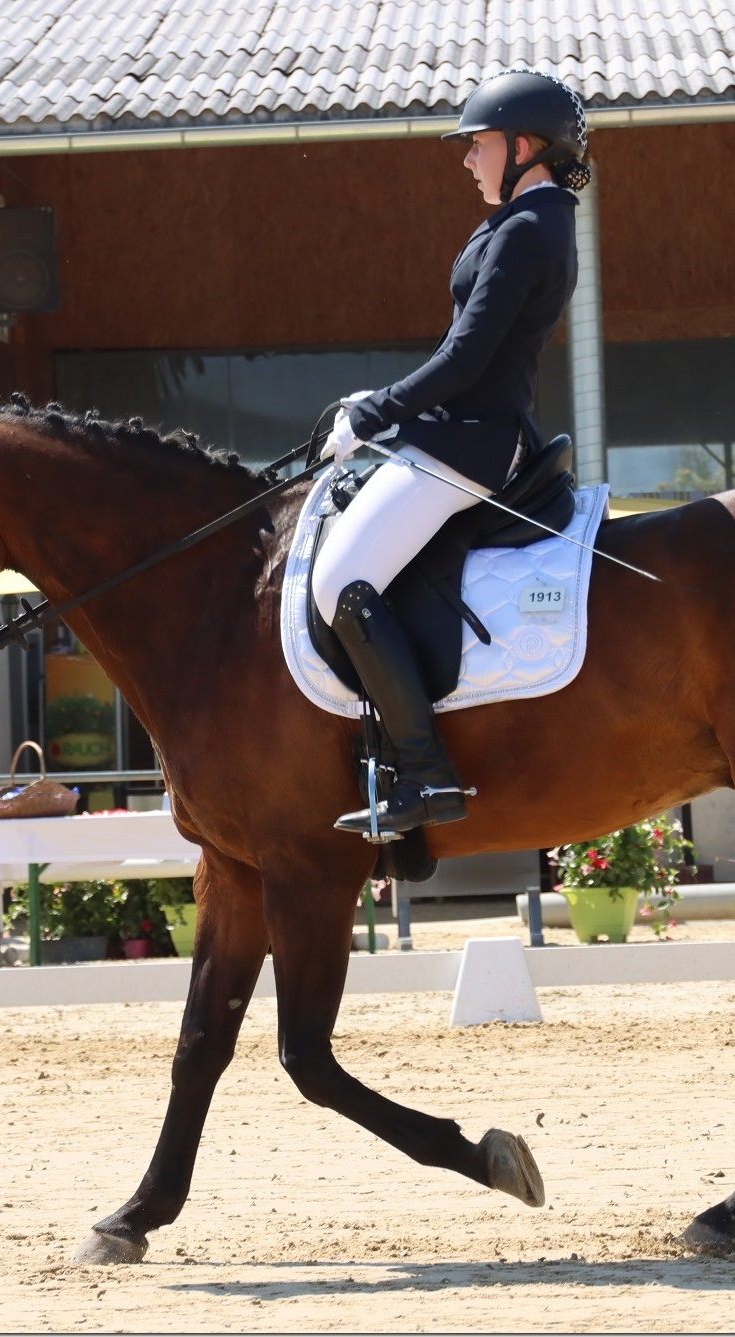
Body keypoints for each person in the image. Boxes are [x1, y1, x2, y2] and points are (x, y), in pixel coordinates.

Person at [313, 66, 590, 839]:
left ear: (524, 146)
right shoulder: (518, 220)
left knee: (341, 578)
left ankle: (426, 773)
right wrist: (387, 410)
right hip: (453, 433)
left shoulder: (533, 229)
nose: (467, 158)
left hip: (471, 446)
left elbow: (466, 360)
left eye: (478, 144)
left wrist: (379, 408)